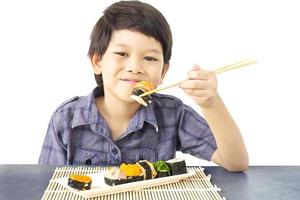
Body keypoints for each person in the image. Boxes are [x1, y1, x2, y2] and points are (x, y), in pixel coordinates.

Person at [39, 0, 248, 172]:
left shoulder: (172, 113)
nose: (135, 67)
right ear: (97, 61)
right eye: (122, 54)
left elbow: (235, 162)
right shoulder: (66, 119)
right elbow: (46, 185)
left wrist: (211, 103)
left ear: (164, 72)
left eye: (149, 58)